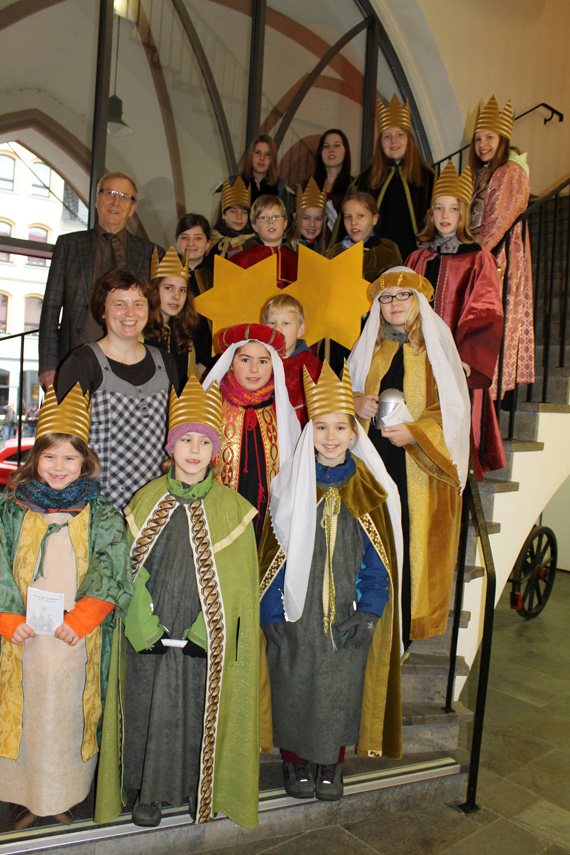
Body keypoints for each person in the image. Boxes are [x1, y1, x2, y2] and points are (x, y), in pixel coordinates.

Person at [97, 377, 260, 829]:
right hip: (150, 631)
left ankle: (197, 787)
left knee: (197, 710)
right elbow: (128, 573)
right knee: (148, 706)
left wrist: (204, 632)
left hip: (202, 633)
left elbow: (238, 590)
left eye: (202, 442)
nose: (193, 450)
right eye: (184, 440)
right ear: (171, 447)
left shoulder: (235, 510)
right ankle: (147, 793)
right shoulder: (145, 501)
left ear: (215, 449)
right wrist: (142, 627)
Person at [258, 362, 402, 801]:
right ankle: (295, 763)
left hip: (346, 614)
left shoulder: (369, 487)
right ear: (309, 432)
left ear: (354, 433)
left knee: (339, 690)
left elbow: (379, 560)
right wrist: (270, 610)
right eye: (322, 427)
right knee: (293, 686)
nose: (332, 436)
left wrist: (371, 609)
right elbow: (273, 554)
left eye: (341, 427)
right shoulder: (289, 485)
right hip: (296, 613)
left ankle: (331, 766)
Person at [0, 383, 131, 830]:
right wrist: (7, 617)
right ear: (36, 458)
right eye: (50, 457)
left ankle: (62, 793)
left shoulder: (104, 514)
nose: (59, 467)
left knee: (65, 716)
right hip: (19, 638)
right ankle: (23, 794)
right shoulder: (10, 509)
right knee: (25, 713)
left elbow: (111, 569)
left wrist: (84, 619)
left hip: (74, 638)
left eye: (69, 458)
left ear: (85, 462)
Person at [348, 267, 470, 649]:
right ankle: (366, 619)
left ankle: (401, 631)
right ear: (377, 306)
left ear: (418, 301)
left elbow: (452, 411)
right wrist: (355, 402)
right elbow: (338, 393)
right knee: (372, 542)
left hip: (418, 467)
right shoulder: (371, 349)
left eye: (403, 295)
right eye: (386, 297)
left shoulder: (435, 348)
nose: (395, 303)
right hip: (372, 462)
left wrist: (415, 434)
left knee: (408, 546)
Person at [406, 161, 506, 474]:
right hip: (417, 360)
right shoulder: (418, 257)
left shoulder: (479, 258)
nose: (445, 216)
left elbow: (486, 312)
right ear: (430, 214)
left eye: (452, 209)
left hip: (456, 366)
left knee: (453, 446)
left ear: (463, 214)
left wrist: (466, 358)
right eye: (438, 209)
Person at [57, 269, 177, 511]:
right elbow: (62, 440)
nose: (130, 313)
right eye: (119, 304)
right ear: (103, 311)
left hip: (156, 505)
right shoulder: (82, 362)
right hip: (96, 505)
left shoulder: (165, 361)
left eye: (138, 304)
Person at [39, 171, 164, 390]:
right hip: (74, 358)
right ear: (97, 200)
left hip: (129, 365)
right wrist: (49, 366)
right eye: (110, 193)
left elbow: (155, 314)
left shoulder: (151, 253)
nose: (116, 202)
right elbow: (50, 308)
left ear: (133, 207)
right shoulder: (69, 245)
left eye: (124, 196)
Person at [202, 323, 300, 544]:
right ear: (230, 363)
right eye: (245, 360)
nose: (254, 369)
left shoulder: (282, 413)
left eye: (263, 361)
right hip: (217, 525)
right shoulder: (210, 407)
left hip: (267, 527)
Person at [469, 95, 534, 398]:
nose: (483, 144)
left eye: (489, 137)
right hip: (483, 254)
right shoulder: (483, 171)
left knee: (495, 321)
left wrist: (475, 252)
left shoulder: (511, 170)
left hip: (498, 257)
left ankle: (492, 394)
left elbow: (500, 219)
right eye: (478, 138)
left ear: (503, 139)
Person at [332, 96, 434, 261]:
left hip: (415, 261)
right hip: (373, 263)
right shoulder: (364, 180)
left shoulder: (428, 179)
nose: (394, 141)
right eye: (387, 136)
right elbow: (344, 226)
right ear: (380, 142)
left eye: (400, 134)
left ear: (409, 139)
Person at [262, 293, 322, 427]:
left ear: (300, 330)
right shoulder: (258, 362)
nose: (277, 328)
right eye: (272, 323)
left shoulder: (311, 367)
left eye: (286, 323)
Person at [147, 246, 199, 390]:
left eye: (182, 290)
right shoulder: (138, 333)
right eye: (168, 288)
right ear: (154, 289)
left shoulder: (183, 335)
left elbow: (191, 381)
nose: (176, 296)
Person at [326, 192, 402, 283]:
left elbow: (394, 285)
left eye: (360, 216)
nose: (353, 222)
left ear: (374, 219)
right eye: (348, 217)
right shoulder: (335, 252)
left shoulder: (387, 250)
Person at [175, 213, 214, 375]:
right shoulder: (163, 275)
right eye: (185, 237)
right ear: (176, 242)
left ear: (208, 244)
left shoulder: (218, 275)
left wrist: (206, 363)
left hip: (210, 363)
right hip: (173, 359)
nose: (191, 243)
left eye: (198, 238)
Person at [232, 195, 298, 289]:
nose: (271, 222)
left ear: (285, 223)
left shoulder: (298, 262)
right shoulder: (240, 262)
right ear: (254, 226)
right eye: (264, 218)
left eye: (276, 217)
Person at [219, 134, 293, 214]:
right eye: (257, 152)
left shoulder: (281, 191)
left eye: (268, 154)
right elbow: (222, 221)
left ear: (273, 159)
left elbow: (286, 221)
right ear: (251, 155)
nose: (262, 158)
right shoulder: (233, 184)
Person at [312, 128, 352, 236]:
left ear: (346, 150)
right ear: (320, 152)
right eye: (326, 146)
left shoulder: (355, 186)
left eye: (337, 145)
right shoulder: (309, 186)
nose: (331, 150)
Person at [210, 176, 254, 259]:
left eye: (244, 212)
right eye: (233, 211)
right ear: (223, 214)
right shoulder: (211, 242)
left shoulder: (254, 242)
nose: (239, 217)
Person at [287, 179, 328, 255]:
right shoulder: (286, 248)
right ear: (295, 217)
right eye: (306, 218)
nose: (312, 224)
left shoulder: (323, 250)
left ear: (324, 219)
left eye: (318, 219)